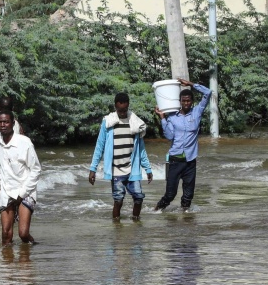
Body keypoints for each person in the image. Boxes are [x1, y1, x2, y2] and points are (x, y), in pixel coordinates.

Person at [88, 92, 153, 220]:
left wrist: (148, 168)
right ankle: (116, 228)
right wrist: (92, 169)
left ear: (128, 106)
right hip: (115, 170)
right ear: (115, 107)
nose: (123, 113)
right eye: (120, 110)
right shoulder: (108, 123)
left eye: (125, 110)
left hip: (131, 168)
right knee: (118, 199)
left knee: (139, 197)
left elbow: (141, 149)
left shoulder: (135, 122)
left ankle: (136, 222)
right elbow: (99, 146)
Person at [153, 78, 212, 212]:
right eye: (183, 101)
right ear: (179, 102)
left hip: (190, 161)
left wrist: (190, 84)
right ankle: (155, 211)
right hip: (175, 160)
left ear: (192, 102)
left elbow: (208, 93)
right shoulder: (172, 116)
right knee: (170, 195)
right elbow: (169, 136)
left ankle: (186, 223)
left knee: (188, 196)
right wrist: (162, 118)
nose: (186, 103)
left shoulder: (197, 112)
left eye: (188, 101)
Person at [0, 110, 41, 245]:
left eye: (6, 122)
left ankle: (31, 247)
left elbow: (36, 169)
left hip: (25, 190)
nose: (3, 125)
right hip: (7, 190)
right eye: (0, 122)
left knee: (23, 234)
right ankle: (7, 264)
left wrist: (22, 193)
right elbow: (2, 168)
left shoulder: (25, 142)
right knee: (6, 235)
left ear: (13, 123)